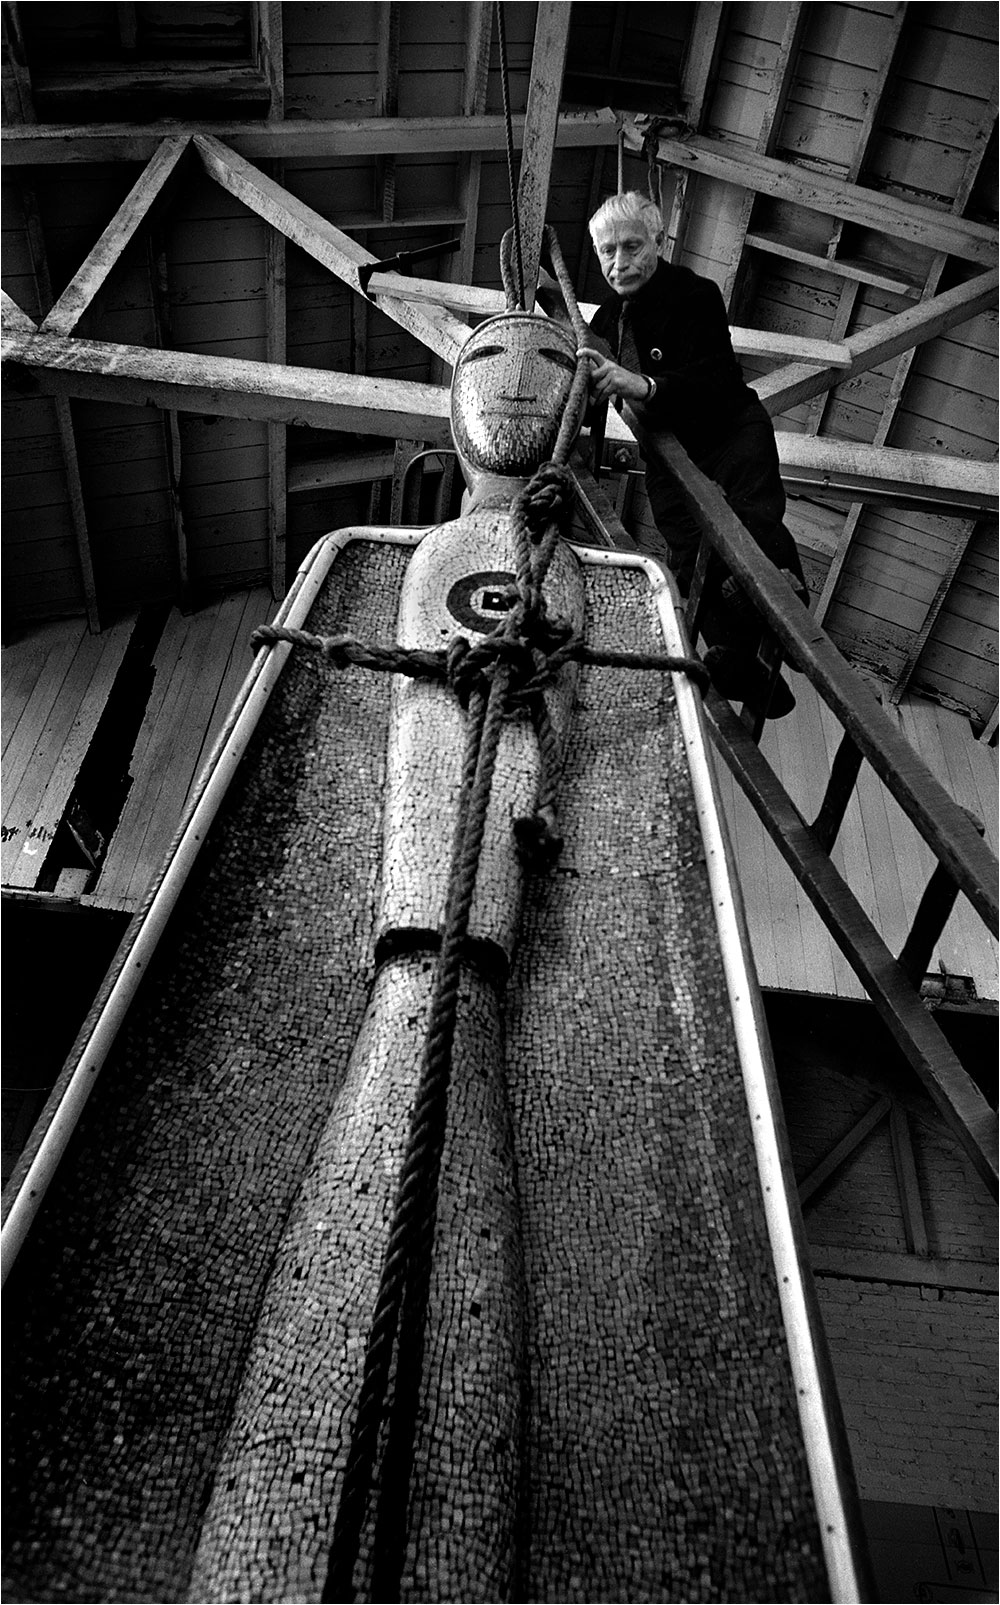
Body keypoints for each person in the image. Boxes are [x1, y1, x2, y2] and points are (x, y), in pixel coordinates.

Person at [577, 189, 808, 717]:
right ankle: (747, 666)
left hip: (727, 432)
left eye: (632, 246)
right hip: (669, 455)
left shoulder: (694, 294)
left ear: (657, 241)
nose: (619, 262)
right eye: (607, 251)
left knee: (748, 520)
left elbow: (716, 376)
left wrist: (644, 386)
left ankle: (789, 617)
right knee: (687, 551)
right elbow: (588, 382)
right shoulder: (606, 322)